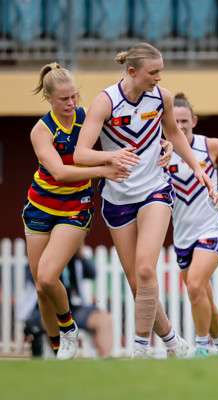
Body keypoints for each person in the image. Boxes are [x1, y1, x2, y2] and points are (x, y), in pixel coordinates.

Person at [74, 43, 213, 358]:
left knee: (147, 270)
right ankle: (172, 341)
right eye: (154, 72)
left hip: (155, 190)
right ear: (132, 72)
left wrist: (197, 167)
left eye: (161, 71)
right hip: (117, 197)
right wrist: (112, 156)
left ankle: (138, 349)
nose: (159, 78)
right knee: (138, 283)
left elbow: (174, 134)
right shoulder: (105, 102)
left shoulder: (160, 97)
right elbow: (80, 154)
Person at [22, 63, 130, 360]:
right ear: (48, 99)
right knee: (44, 290)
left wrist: (164, 145)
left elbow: (131, 133)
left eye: (75, 97)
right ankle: (58, 350)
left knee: (46, 277)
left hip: (75, 207)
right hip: (39, 208)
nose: (71, 104)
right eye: (64, 99)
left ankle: (68, 329)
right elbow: (58, 173)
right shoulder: (41, 131)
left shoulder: (87, 117)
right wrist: (104, 170)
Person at [170, 92, 218, 358]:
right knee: (202, 295)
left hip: (213, 228)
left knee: (195, 285)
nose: (181, 126)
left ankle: (200, 349)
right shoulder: (159, 152)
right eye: (175, 122)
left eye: (184, 120)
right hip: (182, 235)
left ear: (194, 121)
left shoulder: (212, 146)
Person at [18, 245, 114, 358]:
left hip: (72, 307)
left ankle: (106, 359)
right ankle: (61, 356)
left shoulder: (75, 260)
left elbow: (92, 273)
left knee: (104, 319)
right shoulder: (41, 258)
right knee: (51, 319)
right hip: (42, 308)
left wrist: (80, 255)